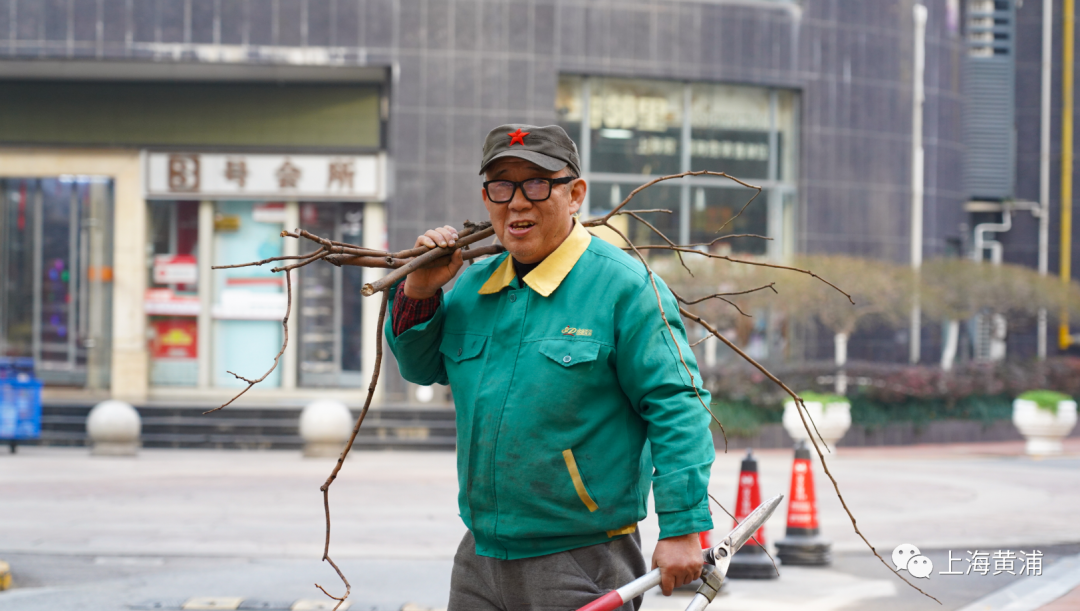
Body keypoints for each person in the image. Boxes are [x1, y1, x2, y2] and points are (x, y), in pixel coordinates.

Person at [385, 124, 714, 611]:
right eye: (502, 186)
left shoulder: (626, 287)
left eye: (537, 184)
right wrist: (419, 290)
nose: (518, 202)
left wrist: (683, 527)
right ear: (486, 197)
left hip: (584, 557)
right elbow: (419, 367)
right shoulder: (475, 286)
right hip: (479, 556)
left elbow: (677, 404)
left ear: (575, 194)